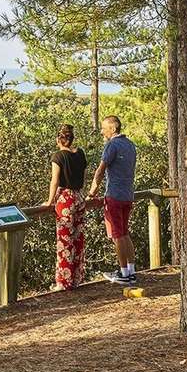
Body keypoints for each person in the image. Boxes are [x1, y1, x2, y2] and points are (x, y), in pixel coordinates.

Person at [88, 115, 138, 285]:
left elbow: (100, 170)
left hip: (114, 196)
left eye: (104, 128)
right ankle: (131, 271)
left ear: (113, 128)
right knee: (125, 233)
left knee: (118, 235)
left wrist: (92, 191)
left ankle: (123, 274)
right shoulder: (130, 145)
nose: (102, 131)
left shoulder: (112, 145)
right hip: (128, 195)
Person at [45, 124, 87, 291]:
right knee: (78, 238)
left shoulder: (58, 157)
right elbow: (83, 176)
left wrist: (49, 202)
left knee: (64, 240)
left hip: (66, 200)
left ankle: (63, 281)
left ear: (58, 140)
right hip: (79, 197)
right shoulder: (80, 154)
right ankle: (76, 278)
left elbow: (55, 180)